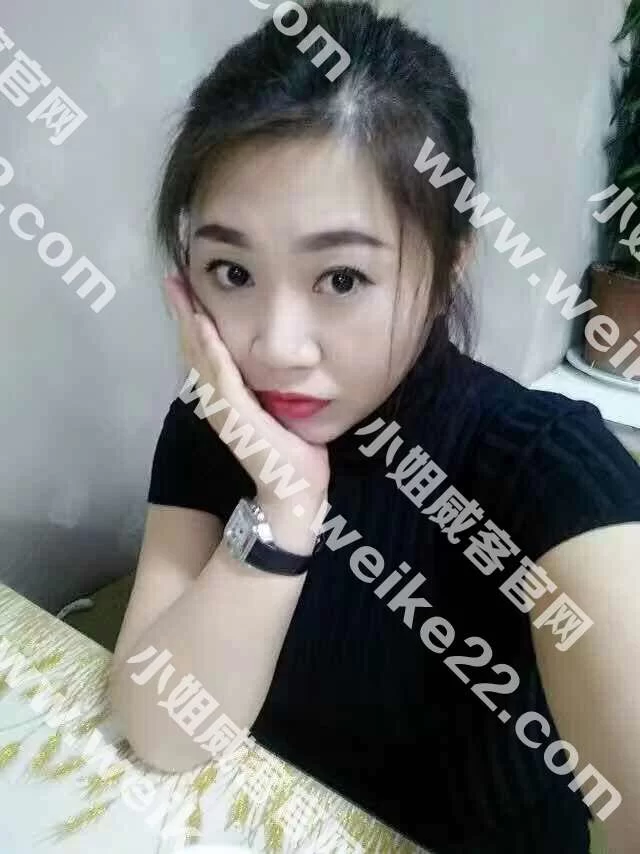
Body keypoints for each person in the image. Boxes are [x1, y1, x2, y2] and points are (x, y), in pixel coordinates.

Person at [108, 2, 640, 851]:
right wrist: (284, 511)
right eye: (232, 271)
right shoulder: (210, 429)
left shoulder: (544, 464)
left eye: (343, 279)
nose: (275, 348)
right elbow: (162, 731)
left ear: (449, 266)